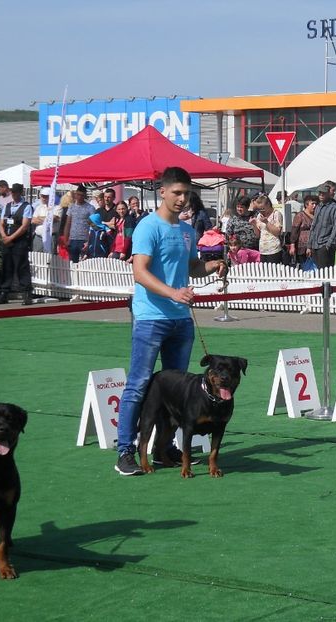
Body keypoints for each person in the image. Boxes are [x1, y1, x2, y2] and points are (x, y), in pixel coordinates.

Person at [115, 166, 228, 476]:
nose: (182, 198)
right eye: (176, 192)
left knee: (174, 390)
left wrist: (212, 264)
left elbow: (190, 267)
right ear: (161, 192)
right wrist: (172, 294)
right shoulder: (147, 227)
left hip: (181, 321)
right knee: (138, 385)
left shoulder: (187, 231)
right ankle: (124, 451)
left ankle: (163, 448)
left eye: (186, 193)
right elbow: (140, 272)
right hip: (152, 318)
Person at [0, 183, 33, 306]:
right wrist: (4, 236)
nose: (14, 195)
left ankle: (26, 294)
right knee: (6, 267)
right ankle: (4, 293)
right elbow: (1, 223)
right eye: (13, 192)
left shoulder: (26, 207)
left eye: (16, 193)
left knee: (22, 267)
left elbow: (24, 226)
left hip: (19, 241)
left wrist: (11, 237)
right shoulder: (7, 206)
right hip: (7, 240)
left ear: (20, 193)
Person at [308, 181, 336, 268]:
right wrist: (309, 245)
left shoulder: (334, 208)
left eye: (323, 193)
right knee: (316, 272)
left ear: (328, 194)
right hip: (315, 244)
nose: (321, 195)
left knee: (326, 273)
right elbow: (313, 226)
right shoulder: (318, 207)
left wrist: (328, 245)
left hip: (325, 245)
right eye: (320, 193)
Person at [62, 184, 96, 263]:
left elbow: (93, 225)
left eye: (82, 195)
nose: (80, 197)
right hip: (72, 239)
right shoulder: (71, 207)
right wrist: (66, 239)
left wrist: (89, 241)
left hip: (84, 240)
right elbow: (68, 223)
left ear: (85, 196)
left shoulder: (90, 208)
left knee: (84, 263)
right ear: (75, 195)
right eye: (78, 194)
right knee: (72, 262)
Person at [254, 193, 284, 263]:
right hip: (263, 249)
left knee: (273, 271)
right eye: (259, 209)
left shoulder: (276, 214)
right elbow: (258, 235)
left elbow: (277, 232)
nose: (261, 211)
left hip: (274, 248)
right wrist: (253, 225)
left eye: (263, 208)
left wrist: (267, 222)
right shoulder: (259, 215)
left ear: (268, 204)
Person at [31, 187, 61, 252]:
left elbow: (54, 219)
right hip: (38, 237)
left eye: (46, 196)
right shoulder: (39, 207)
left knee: (49, 259)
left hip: (50, 237)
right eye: (42, 196)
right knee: (37, 258)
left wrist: (39, 217)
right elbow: (33, 220)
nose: (43, 198)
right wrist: (47, 219)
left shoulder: (57, 208)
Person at [290, 194, 316, 268]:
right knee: (304, 267)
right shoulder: (300, 215)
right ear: (306, 204)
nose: (314, 206)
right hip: (302, 247)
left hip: (314, 245)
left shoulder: (316, 215)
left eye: (315, 204)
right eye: (312, 204)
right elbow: (294, 230)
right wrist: (292, 245)